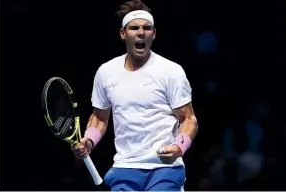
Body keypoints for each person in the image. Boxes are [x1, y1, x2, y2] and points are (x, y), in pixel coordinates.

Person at [71, 0, 198, 191]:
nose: (141, 32)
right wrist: (88, 140)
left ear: (153, 34)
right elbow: (99, 118)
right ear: (123, 34)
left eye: (147, 28)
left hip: (164, 168)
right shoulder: (106, 72)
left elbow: (189, 119)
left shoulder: (171, 71)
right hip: (124, 167)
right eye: (134, 28)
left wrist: (179, 147)